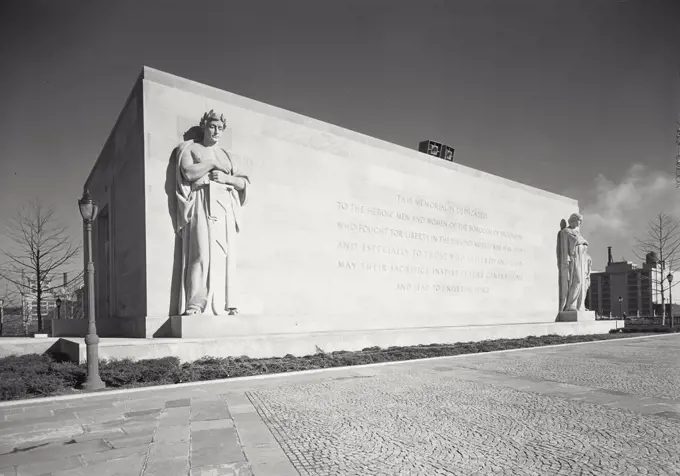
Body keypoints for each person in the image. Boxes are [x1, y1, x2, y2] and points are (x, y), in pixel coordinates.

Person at [175, 110, 250, 316]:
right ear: (204, 127)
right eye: (212, 126)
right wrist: (212, 164)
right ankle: (195, 304)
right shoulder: (190, 148)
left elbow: (243, 182)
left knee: (226, 256)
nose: (216, 131)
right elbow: (188, 173)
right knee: (201, 253)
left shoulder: (227, 156)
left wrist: (227, 179)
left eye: (220, 128)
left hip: (225, 204)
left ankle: (229, 303)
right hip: (201, 201)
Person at [556, 213, 591, 312]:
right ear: (573, 220)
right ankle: (570, 305)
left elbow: (583, 242)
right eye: (578, 221)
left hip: (580, 259)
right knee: (576, 280)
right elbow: (564, 247)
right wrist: (566, 259)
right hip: (573, 259)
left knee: (581, 282)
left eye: (580, 222)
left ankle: (579, 305)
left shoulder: (577, 233)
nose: (579, 224)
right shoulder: (565, 232)